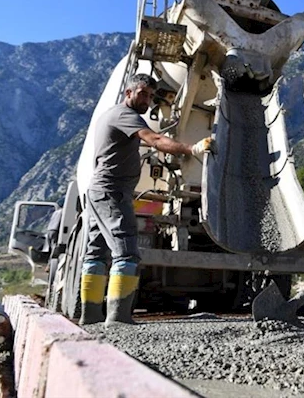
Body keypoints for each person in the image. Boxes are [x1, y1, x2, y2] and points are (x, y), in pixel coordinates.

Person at [79, 73, 212, 326]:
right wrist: (191, 149)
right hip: (111, 191)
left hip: (102, 190)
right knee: (126, 252)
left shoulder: (110, 115)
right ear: (128, 93)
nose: (148, 100)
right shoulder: (125, 115)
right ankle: (118, 318)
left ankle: (91, 316)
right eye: (143, 94)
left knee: (96, 252)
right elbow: (155, 140)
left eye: (151, 96)